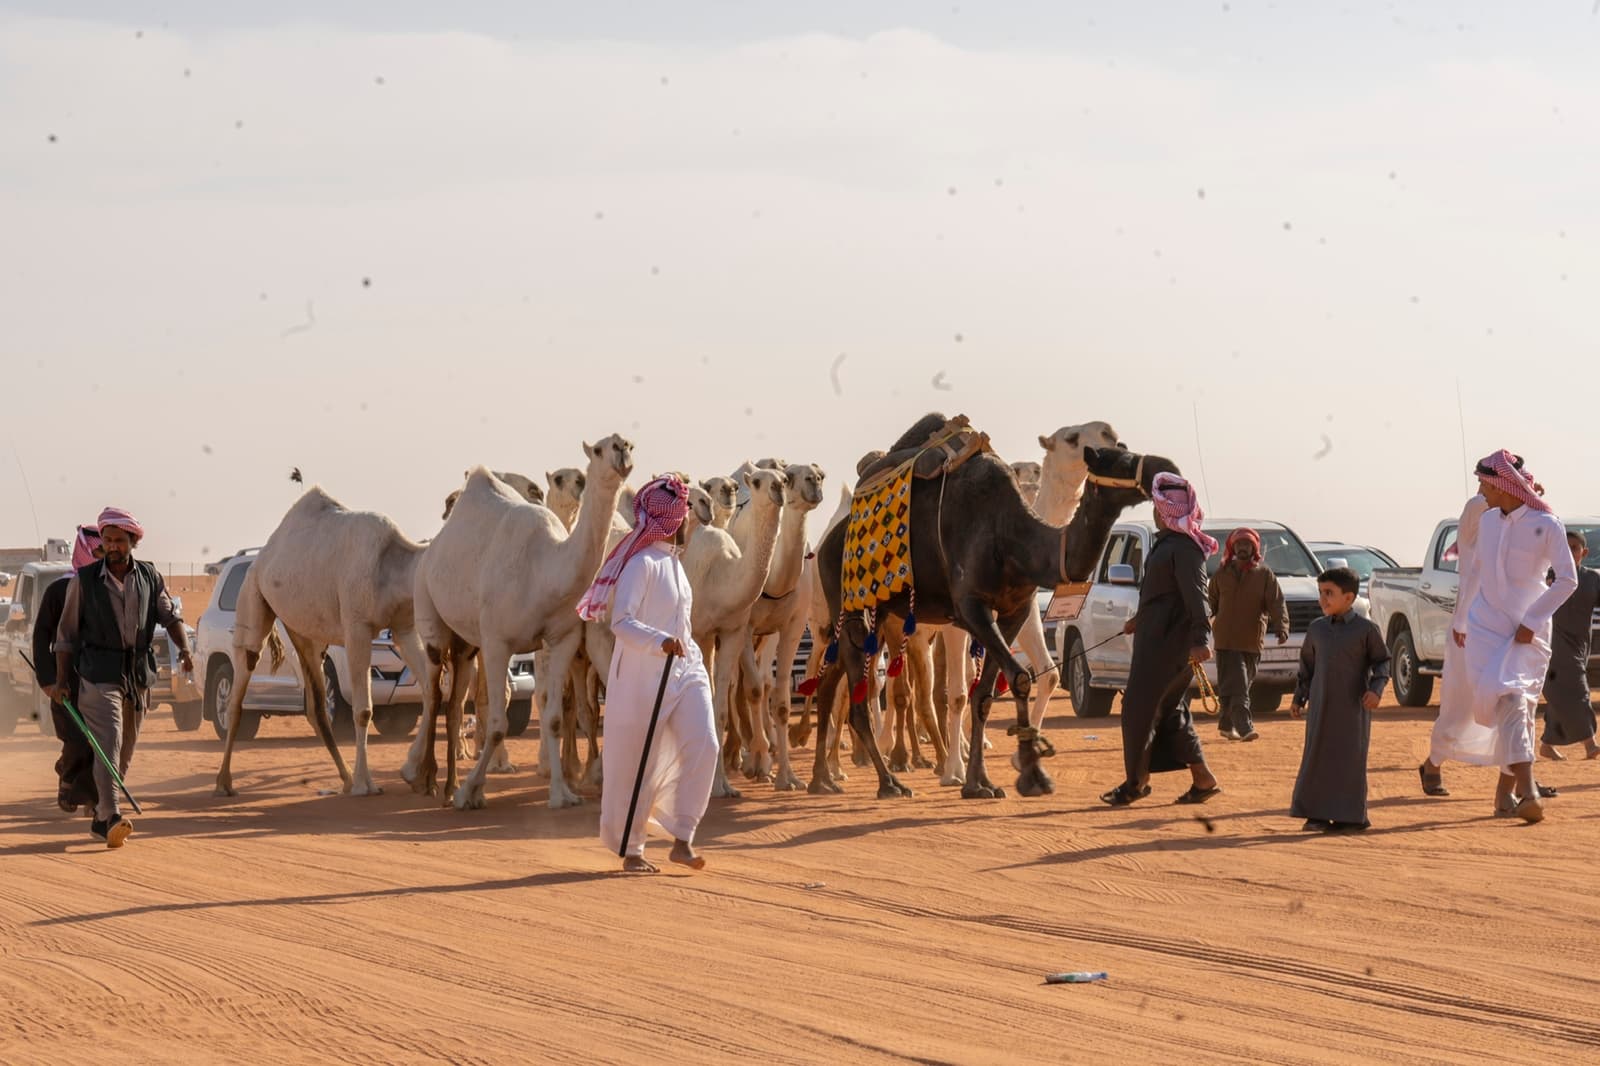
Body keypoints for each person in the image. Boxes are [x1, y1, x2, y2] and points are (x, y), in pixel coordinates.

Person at [579, 475, 718, 874]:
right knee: (639, 760)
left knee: (705, 741)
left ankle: (683, 837)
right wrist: (660, 641)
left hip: (686, 669)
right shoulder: (641, 565)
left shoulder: (675, 566)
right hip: (644, 675)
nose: (691, 521)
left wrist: (680, 649)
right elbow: (620, 621)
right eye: (686, 514)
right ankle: (634, 850)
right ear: (673, 520)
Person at [46, 508, 194, 848]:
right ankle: (109, 816)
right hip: (97, 674)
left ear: (133, 542)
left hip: (137, 675)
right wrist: (62, 679)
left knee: (124, 749)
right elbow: (65, 636)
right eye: (108, 540)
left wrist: (184, 650)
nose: (113, 546)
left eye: (119, 541)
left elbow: (170, 617)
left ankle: (101, 810)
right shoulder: (84, 582)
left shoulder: (150, 577)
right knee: (109, 739)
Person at [1418, 453, 1557, 798]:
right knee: (1462, 706)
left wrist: (1524, 504)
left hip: (1520, 625)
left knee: (1520, 702)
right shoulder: (1481, 511)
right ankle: (1433, 763)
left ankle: (1513, 787)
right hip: (1474, 624)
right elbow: (1476, 564)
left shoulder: (1528, 517)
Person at [1455, 450, 1577, 822]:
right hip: (1485, 628)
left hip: (1528, 632)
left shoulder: (1547, 524)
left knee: (1514, 702)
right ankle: (1504, 796)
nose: (1480, 492)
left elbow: (1567, 580)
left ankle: (1527, 790)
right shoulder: (1489, 522)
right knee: (1510, 705)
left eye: (1483, 484)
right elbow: (1475, 572)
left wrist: (1532, 620)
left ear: (1501, 484)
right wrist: (1462, 619)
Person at [1099, 473, 1223, 807]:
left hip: (1169, 648)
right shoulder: (1167, 545)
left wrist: (1202, 638)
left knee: (1137, 710)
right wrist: (1139, 620)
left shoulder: (1184, 549)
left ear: (1166, 510)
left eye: (1157, 507)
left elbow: (1198, 598)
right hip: (1156, 641)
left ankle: (1135, 783)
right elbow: (1164, 595)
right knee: (1170, 712)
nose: (1154, 512)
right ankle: (1203, 778)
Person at [1290, 567, 1391, 832]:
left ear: (1348, 598)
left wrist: (1376, 690)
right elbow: (1307, 667)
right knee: (1317, 756)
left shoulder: (1366, 630)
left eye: (1329, 593)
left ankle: (1351, 818)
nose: (1322, 599)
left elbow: (1382, 662)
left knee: (1349, 759)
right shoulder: (1317, 630)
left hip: (1352, 708)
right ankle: (1317, 815)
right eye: (1320, 592)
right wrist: (1299, 698)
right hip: (1320, 706)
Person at [33, 526, 102, 813]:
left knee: (98, 742)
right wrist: (49, 681)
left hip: (100, 680)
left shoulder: (109, 588)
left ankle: (88, 796)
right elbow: (41, 635)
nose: (103, 557)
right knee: (75, 740)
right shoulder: (59, 589)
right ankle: (67, 778)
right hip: (66, 681)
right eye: (97, 551)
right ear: (84, 551)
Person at [1207, 526, 1289, 742]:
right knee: (1239, 685)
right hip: (1225, 640)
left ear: (1255, 548)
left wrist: (1282, 627)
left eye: (1247, 544)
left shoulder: (1264, 574)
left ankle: (1226, 725)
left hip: (1252, 641)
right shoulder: (1221, 574)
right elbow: (1210, 604)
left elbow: (1277, 603)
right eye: (1239, 544)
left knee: (1234, 685)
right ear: (1232, 547)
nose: (1243, 548)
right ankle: (1245, 727)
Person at [1540, 531, 1600, 761]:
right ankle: (1590, 744)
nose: (1569, 551)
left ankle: (1547, 743)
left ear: (1583, 553)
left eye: (1574, 548)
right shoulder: (1546, 577)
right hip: (1553, 643)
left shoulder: (1592, 579)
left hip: (1579, 645)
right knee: (1577, 690)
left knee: (1561, 692)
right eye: (1565, 547)